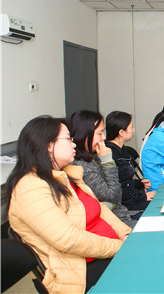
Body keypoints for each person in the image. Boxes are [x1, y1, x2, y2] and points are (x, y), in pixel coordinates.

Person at [7, 116, 130, 294]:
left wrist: (126, 235)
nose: (74, 144)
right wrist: (120, 247)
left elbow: (100, 210)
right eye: (68, 139)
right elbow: (68, 239)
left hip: (106, 253)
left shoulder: (66, 175)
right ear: (49, 146)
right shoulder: (30, 187)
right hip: (80, 269)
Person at [71, 111, 138, 228]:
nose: (104, 138)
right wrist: (107, 161)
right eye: (100, 133)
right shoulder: (83, 167)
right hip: (114, 222)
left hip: (121, 215)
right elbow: (114, 196)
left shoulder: (93, 157)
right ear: (84, 134)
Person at [105, 111, 155, 212]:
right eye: (131, 127)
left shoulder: (121, 149)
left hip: (133, 200)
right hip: (126, 207)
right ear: (121, 132)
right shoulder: (112, 154)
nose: (133, 130)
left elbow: (125, 180)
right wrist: (143, 197)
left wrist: (140, 183)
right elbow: (121, 190)